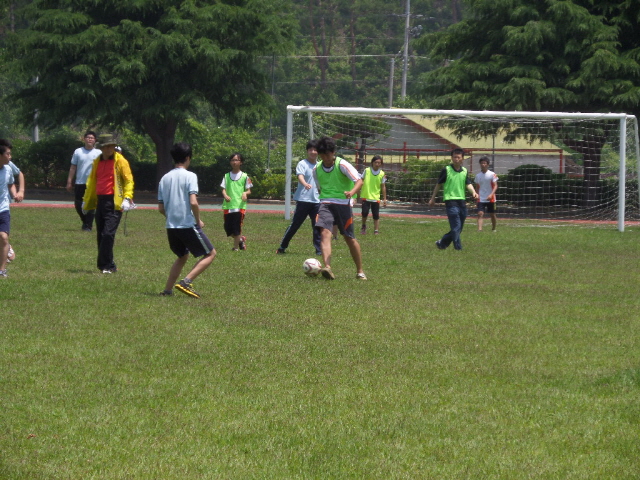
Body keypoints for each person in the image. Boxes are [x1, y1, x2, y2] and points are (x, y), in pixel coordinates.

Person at [158, 142, 216, 299]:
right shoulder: (190, 176)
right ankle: (186, 281)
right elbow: (193, 202)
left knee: (182, 256)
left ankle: (167, 290)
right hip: (187, 224)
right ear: (188, 158)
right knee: (210, 254)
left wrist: (172, 218)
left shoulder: (164, 178)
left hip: (171, 226)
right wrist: (198, 221)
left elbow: (161, 208)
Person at [313, 136, 366, 280]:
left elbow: (359, 180)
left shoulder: (342, 165)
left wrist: (352, 193)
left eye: (327, 154)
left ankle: (360, 271)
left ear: (333, 152)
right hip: (325, 204)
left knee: (349, 238)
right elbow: (319, 188)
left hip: (343, 205)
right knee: (324, 233)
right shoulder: (316, 169)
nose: (325, 158)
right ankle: (327, 268)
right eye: (322, 155)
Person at [82, 134, 134, 273]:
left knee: (108, 234)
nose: (109, 149)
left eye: (111, 146)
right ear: (102, 148)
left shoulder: (120, 161)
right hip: (100, 201)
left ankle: (107, 265)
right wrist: (86, 200)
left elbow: (128, 180)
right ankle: (107, 265)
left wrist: (127, 198)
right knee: (101, 234)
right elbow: (92, 182)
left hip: (115, 202)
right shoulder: (97, 161)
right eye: (106, 147)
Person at [276, 139, 322, 255]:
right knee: (295, 225)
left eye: (315, 150)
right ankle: (282, 246)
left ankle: (319, 250)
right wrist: (305, 183)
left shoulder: (320, 165)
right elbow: (300, 176)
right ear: (307, 151)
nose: (313, 152)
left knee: (317, 226)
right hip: (303, 200)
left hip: (316, 201)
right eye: (310, 149)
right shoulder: (302, 163)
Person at [428, 148, 478, 250]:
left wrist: (473, 192)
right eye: (454, 157)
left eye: (458, 157)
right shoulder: (446, 170)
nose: (456, 159)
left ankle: (442, 243)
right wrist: (433, 198)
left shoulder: (464, 171)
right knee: (456, 226)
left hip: (462, 201)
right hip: (450, 201)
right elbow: (438, 185)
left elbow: (468, 183)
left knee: (459, 228)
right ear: (452, 158)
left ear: (462, 159)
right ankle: (458, 248)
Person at [66, 131, 101, 231]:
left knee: (91, 205)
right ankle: (85, 221)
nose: (90, 139)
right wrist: (69, 181)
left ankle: (88, 226)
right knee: (78, 204)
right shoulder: (78, 151)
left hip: (93, 184)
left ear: (95, 140)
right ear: (84, 139)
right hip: (80, 182)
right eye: (88, 137)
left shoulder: (99, 153)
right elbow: (73, 167)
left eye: (92, 138)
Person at [221, 153, 252, 251]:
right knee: (228, 228)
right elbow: (223, 189)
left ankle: (235, 248)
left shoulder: (245, 176)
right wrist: (225, 195)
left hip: (240, 206)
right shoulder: (226, 176)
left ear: (241, 162)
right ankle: (240, 240)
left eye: (236, 160)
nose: (234, 162)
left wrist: (245, 193)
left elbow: (249, 190)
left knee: (236, 227)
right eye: (232, 160)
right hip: (228, 206)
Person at [0, 140, 18, 278]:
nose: (10, 157)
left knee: (3, 237)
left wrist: (15, 192)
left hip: (3, 208)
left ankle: (2, 270)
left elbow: (11, 183)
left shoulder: (8, 169)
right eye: (8, 154)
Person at [359, 155, 387, 235]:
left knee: (376, 215)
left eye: (379, 163)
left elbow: (383, 186)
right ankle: (363, 226)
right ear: (372, 163)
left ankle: (376, 230)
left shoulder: (382, 173)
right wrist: (357, 193)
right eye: (376, 162)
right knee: (364, 213)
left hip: (376, 197)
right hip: (366, 195)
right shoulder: (366, 170)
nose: (377, 164)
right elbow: (361, 181)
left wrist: (384, 199)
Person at [474, 156, 498, 231]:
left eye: (484, 163)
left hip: (491, 198)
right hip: (481, 198)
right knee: (480, 213)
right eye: (481, 163)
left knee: (492, 214)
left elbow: (495, 186)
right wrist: (476, 195)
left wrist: (491, 194)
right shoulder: (478, 176)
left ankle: (494, 228)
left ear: (488, 165)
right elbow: (477, 187)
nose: (483, 164)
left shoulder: (492, 174)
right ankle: (479, 230)